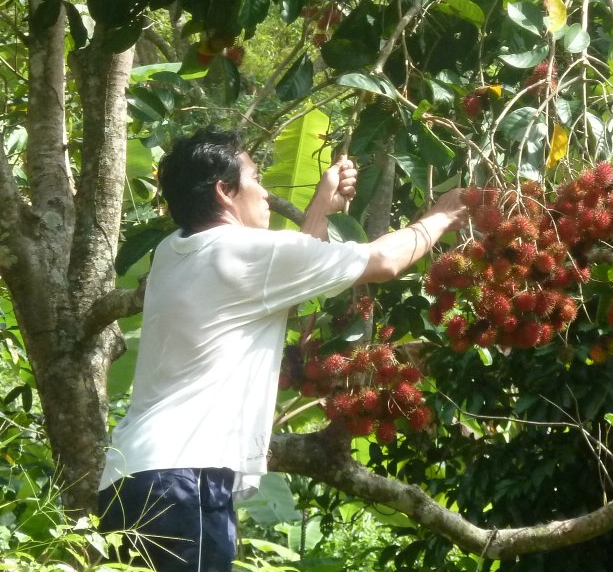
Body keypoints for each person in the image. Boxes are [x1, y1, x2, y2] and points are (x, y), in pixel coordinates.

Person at [95, 128, 467, 571]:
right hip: (185, 480)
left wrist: (322, 207)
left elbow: (283, 285)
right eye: (256, 178)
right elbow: (383, 262)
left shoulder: (172, 253)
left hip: (127, 480)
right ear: (224, 190)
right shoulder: (244, 252)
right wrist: (441, 217)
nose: (266, 193)